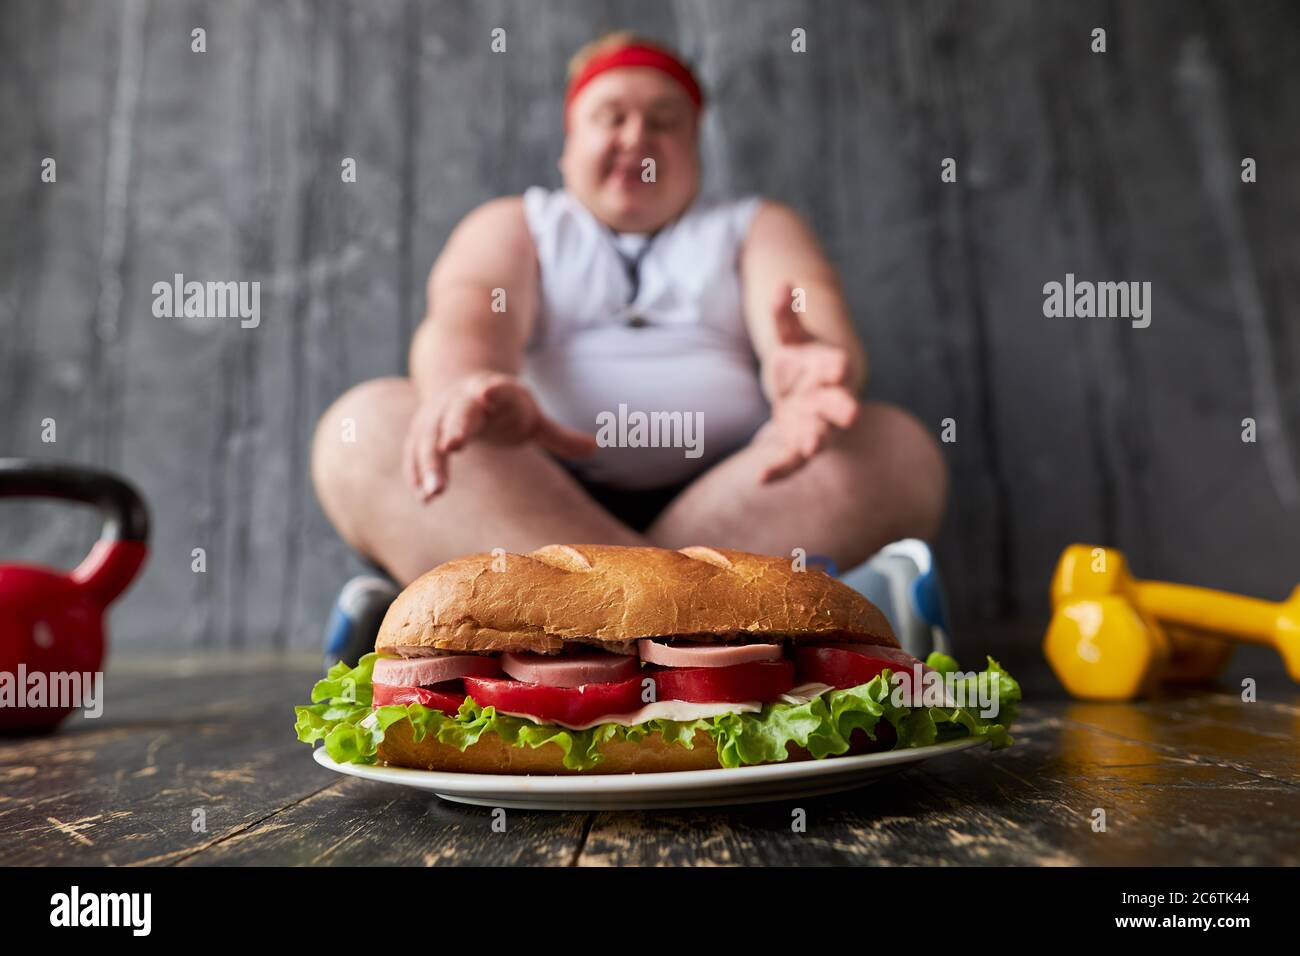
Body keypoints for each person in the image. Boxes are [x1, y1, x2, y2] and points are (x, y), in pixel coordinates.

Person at [311, 33, 947, 661]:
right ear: (568, 146)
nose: (637, 137)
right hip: (530, 501)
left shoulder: (756, 226)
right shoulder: (517, 224)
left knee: (896, 449)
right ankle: (795, 624)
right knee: (365, 427)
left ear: (696, 148)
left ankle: (460, 632)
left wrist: (806, 370)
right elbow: (466, 312)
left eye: (664, 122)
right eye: (610, 117)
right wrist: (469, 381)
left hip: (735, 510)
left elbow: (814, 319)